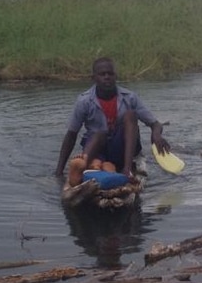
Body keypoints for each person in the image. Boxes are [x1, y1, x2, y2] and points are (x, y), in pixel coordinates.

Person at [55, 57, 170, 187]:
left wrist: (156, 135)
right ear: (93, 78)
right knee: (100, 134)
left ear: (116, 76)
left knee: (130, 115)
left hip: (121, 148)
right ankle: (84, 165)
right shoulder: (84, 101)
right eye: (102, 74)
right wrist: (59, 171)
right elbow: (71, 134)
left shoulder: (130, 97)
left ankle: (126, 170)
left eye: (110, 74)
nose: (107, 77)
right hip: (97, 148)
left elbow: (155, 124)